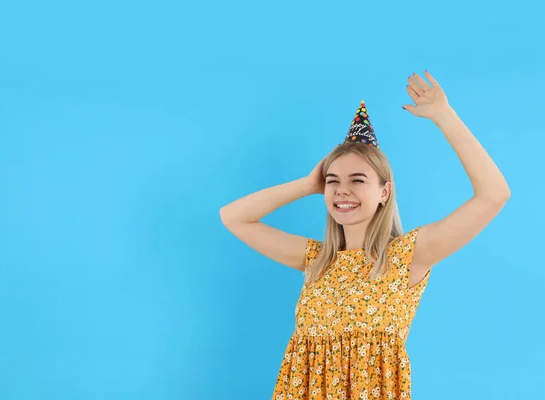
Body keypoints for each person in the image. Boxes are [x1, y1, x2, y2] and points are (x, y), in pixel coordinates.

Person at [219, 70, 511, 399]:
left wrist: (444, 116)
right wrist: (307, 183)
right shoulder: (317, 260)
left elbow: (493, 195)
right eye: (333, 181)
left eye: (357, 180)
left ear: (384, 192)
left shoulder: (407, 256)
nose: (343, 191)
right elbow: (233, 217)